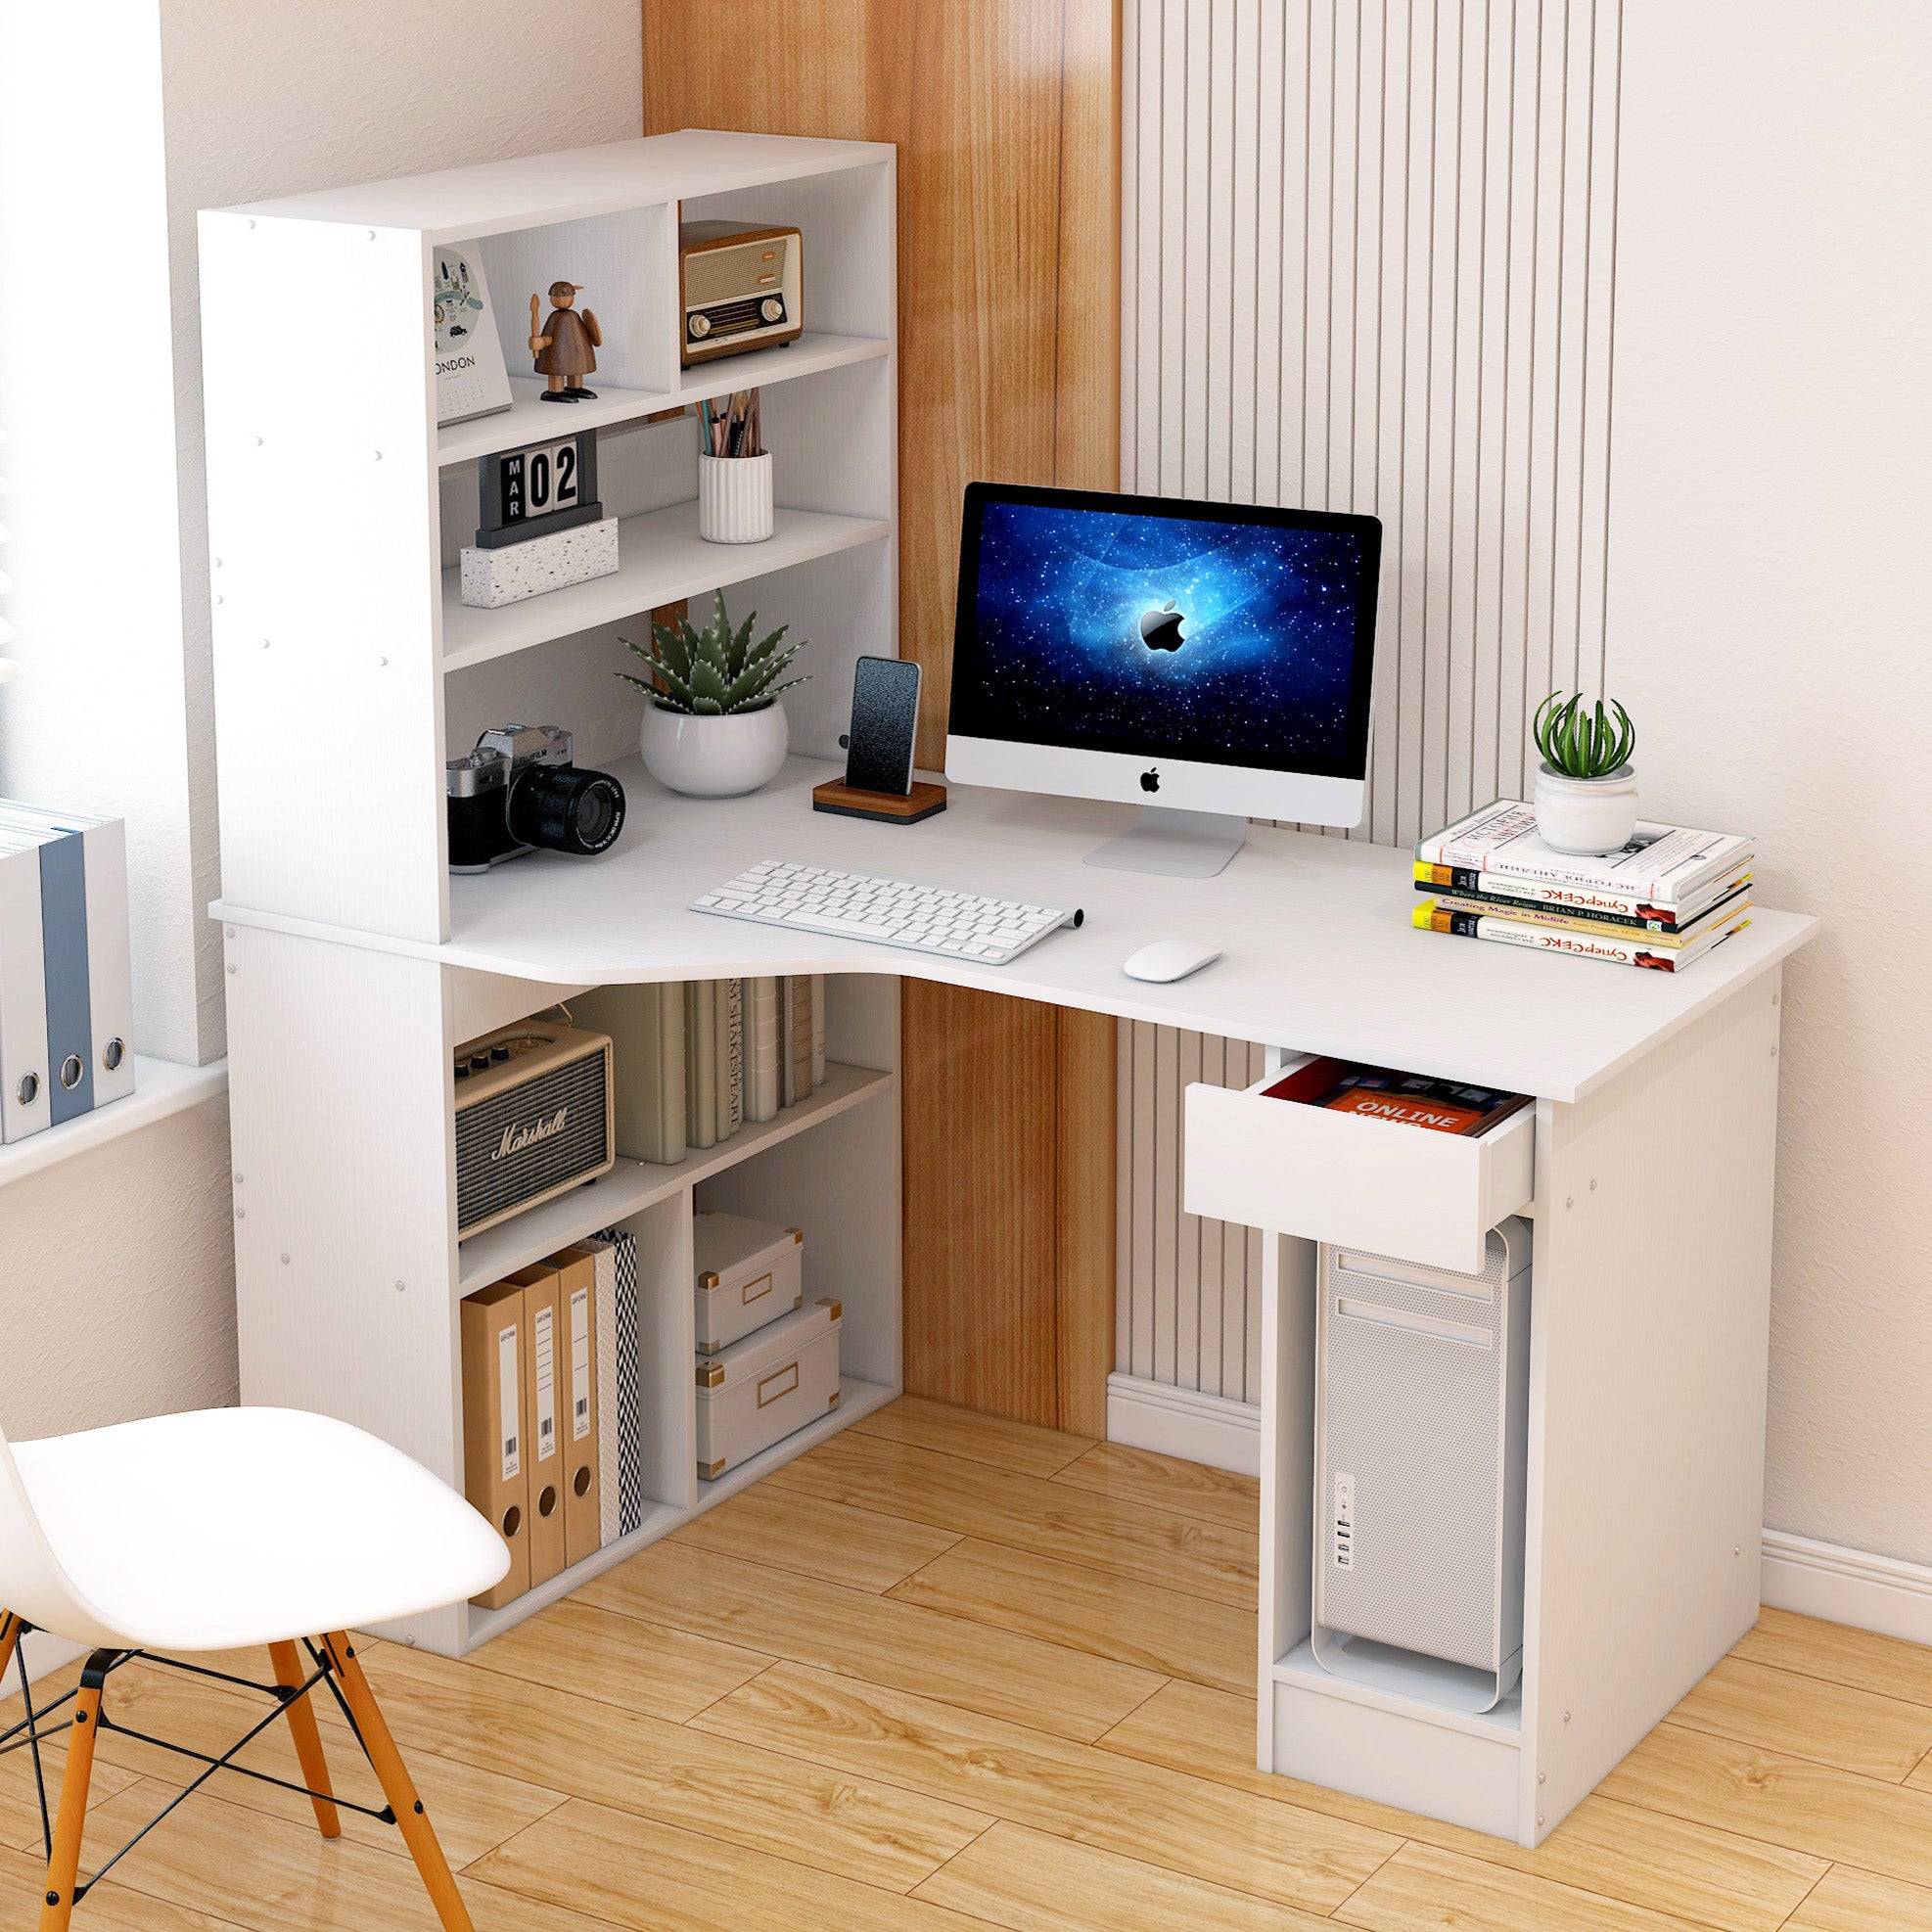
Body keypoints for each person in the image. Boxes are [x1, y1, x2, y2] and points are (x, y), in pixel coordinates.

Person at [529, 281, 601, 401]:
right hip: (556, 354)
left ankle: (575, 387)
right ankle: (555, 391)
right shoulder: (555, 317)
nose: (562, 299)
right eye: (557, 297)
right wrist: (540, 341)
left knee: (576, 367)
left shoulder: (574, 316)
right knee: (556, 369)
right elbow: (550, 338)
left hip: (576, 353)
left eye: (566, 296)